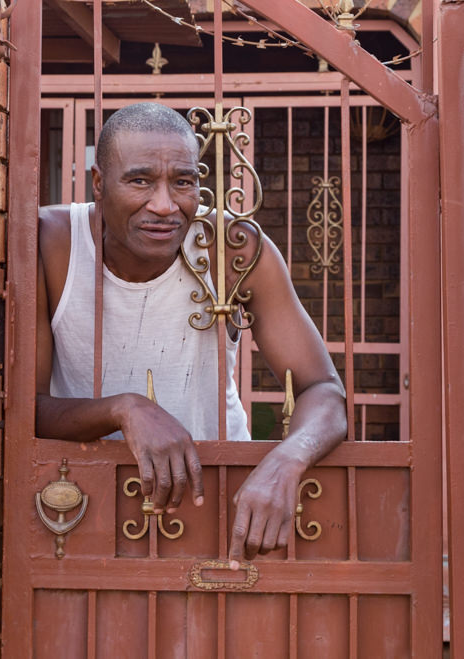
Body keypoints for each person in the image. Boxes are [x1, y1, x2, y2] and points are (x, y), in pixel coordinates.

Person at [36, 102, 346, 568]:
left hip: (217, 499)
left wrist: (286, 461)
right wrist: (126, 409)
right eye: (140, 181)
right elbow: (24, 410)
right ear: (98, 183)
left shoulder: (233, 247)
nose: (165, 205)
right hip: (78, 505)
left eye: (182, 182)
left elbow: (323, 390)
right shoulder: (51, 243)